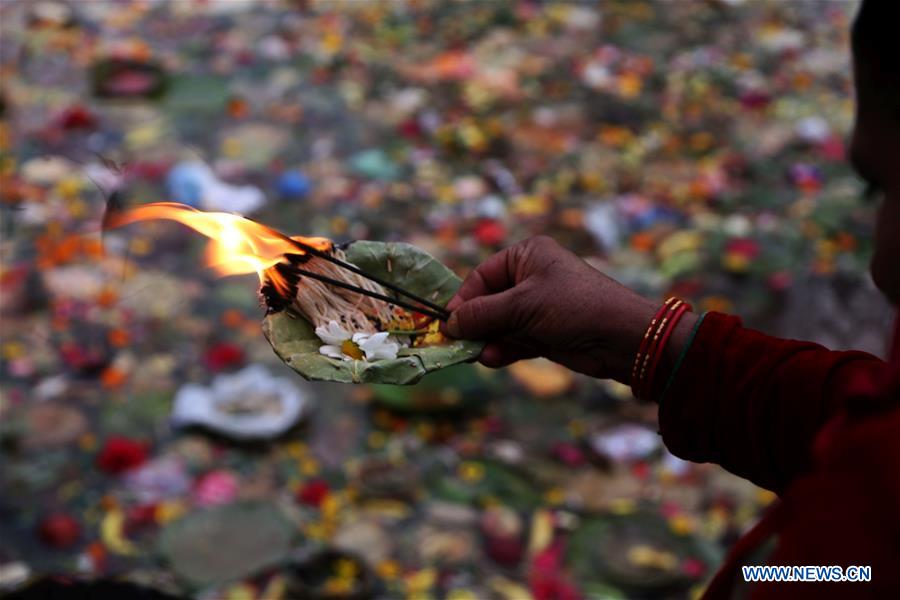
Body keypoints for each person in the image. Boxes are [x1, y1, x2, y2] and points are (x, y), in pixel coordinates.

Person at [441, 1, 899, 598]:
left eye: (882, 188)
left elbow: (837, 565)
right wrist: (653, 339)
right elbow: (855, 416)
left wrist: (764, 573)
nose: (878, 269)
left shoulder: (864, 547)